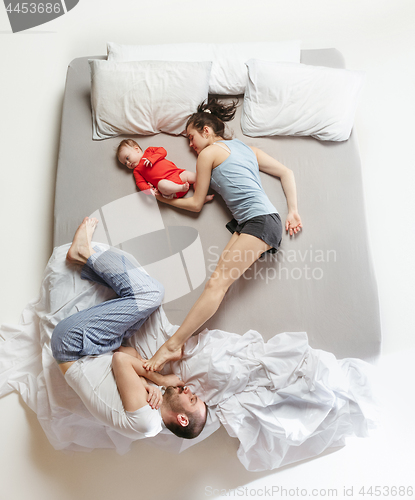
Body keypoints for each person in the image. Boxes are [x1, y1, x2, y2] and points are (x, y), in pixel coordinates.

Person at [143, 98, 303, 372]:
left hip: (260, 222)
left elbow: (195, 204)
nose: (191, 146)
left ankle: (173, 345)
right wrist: (292, 210)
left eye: (191, 138)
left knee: (217, 285)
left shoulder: (208, 154)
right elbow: (285, 172)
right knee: (216, 284)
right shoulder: (246, 148)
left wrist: (162, 200)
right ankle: (176, 344)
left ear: (206, 131)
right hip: (257, 221)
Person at [51, 217, 207, 439]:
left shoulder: (147, 422)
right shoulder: (151, 409)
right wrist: (146, 381)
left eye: (191, 399)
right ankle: (85, 260)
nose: (188, 390)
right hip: (97, 347)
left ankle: (84, 253)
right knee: (144, 301)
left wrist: (159, 379)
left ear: (182, 419)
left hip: (73, 345)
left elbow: (121, 360)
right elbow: (127, 353)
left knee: (151, 295)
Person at [117, 139, 196, 199]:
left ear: (136, 149)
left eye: (127, 158)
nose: (127, 163)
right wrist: (149, 190)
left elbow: (163, 151)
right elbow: (140, 183)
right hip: (170, 187)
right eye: (125, 163)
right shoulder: (136, 171)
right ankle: (181, 188)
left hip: (177, 174)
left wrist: (152, 159)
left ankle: (201, 192)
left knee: (193, 176)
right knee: (161, 184)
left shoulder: (149, 151)